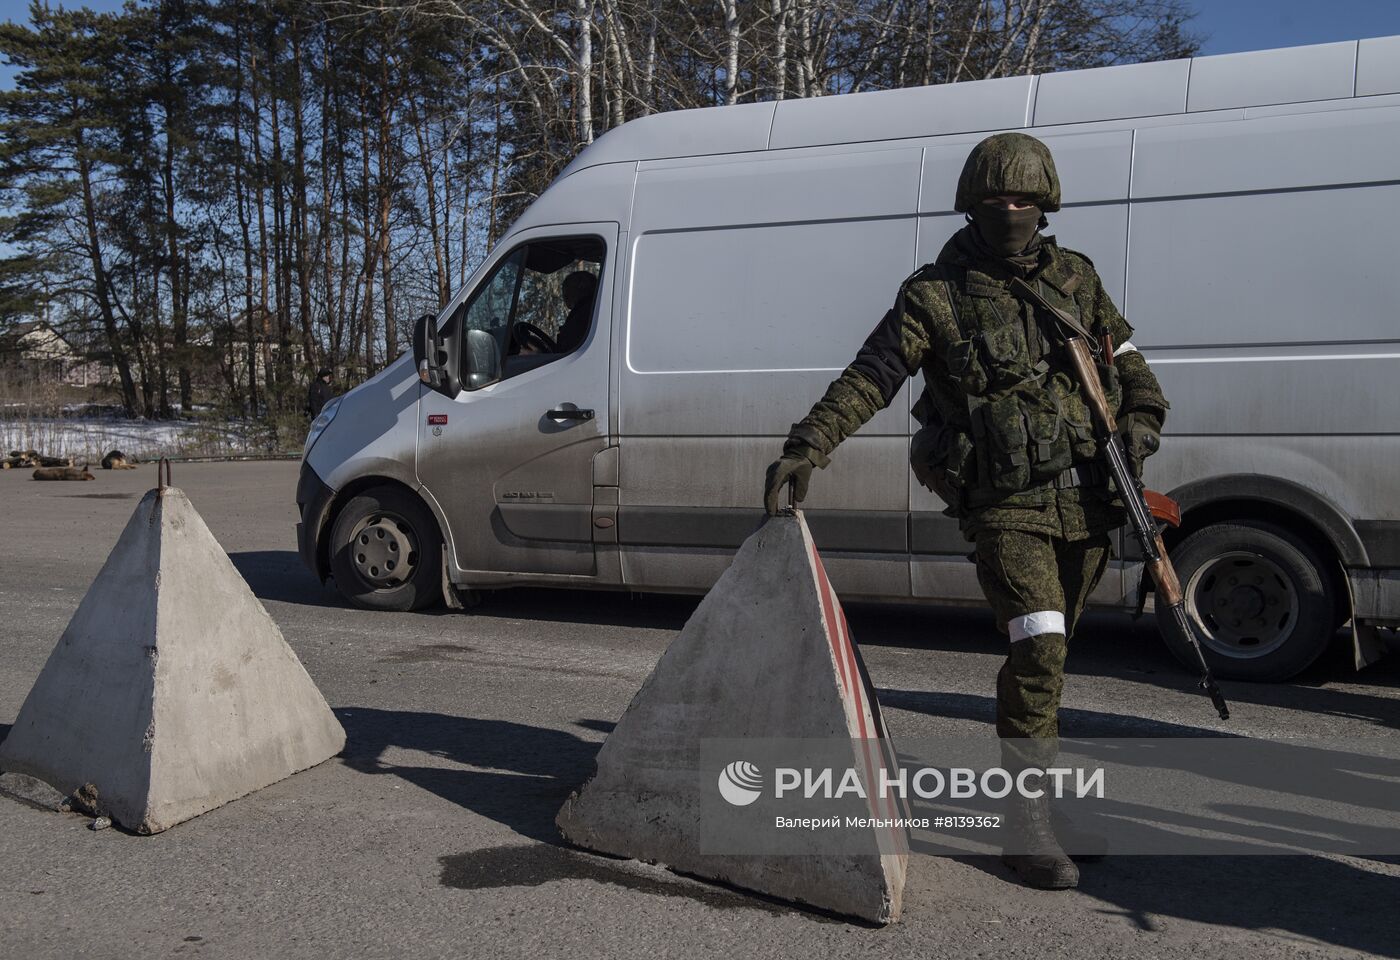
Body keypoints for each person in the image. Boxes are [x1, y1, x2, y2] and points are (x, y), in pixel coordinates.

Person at [762, 132, 1168, 890]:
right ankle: (1025, 825)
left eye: (1023, 200)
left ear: (1044, 204)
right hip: (1005, 503)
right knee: (1038, 646)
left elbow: (1130, 362)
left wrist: (1142, 419)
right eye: (994, 200)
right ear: (971, 204)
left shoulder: (1077, 280)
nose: (1009, 212)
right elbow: (873, 373)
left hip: (1086, 499)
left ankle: (1037, 798)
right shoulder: (936, 294)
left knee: (1051, 660)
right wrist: (809, 443)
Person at [555, 270, 598, 354]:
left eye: (568, 289)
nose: (564, 295)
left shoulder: (584, 315)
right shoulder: (595, 310)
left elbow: (567, 351)